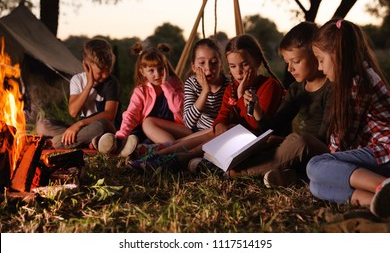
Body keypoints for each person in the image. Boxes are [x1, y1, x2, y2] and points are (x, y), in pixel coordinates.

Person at [128, 34, 284, 172]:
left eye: (244, 65)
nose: (239, 71)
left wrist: (241, 95)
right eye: (233, 66)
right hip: (214, 133)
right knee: (217, 131)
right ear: (194, 66)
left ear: (256, 61)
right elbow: (220, 116)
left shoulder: (266, 86)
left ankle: (170, 158)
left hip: (253, 139)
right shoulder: (230, 86)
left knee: (219, 131)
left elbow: (256, 125)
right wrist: (219, 124)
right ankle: (158, 156)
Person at [225, 22, 333, 188]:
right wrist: (258, 112)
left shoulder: (330, 87)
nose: (290, 68)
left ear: (316, 55)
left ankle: (238, 172)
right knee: (273, 141)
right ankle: (294, 176)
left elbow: (324, 137)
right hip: (300, 149)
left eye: (295, 61)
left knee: (300, 141)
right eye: (287, 62)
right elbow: (274, 126)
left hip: (323, 150)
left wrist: (286, 141)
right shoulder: (296, 88)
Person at [306, 19, 390, 218]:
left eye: (320, 59)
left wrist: (330, 161)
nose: (319, 68)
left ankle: (382, 186)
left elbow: (342, 141)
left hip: (385, 153)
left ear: (337, 55)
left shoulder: (357, 82)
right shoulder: (359, 76)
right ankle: (377, 201)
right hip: (378, 155)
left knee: (315, 166)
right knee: (316, 186)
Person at [97, 43, 185, 156]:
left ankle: (165, 148)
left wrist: (166, 85)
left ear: (166, 67)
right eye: (151, 71)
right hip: (150, 134)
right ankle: (115, 144)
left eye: (160, 69)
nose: (157, 74)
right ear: (143, 72)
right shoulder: (141, 91)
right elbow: (132, 114)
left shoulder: (175, 85)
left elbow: (179, 109)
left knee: (147, 123)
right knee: (138, 132)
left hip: (177, 130)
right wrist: (121, 135)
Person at [35, 38, 122, 149]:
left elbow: (110, 115)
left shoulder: (111, 83)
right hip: (85, 129)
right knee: (43, 125)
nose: (105, 75)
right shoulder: (77, 80)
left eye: (108, 70)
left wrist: (79, 124)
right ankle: (89, 142)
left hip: (105, 127)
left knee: (99, 126)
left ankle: (55, 144)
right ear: (86, 66)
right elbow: (73, 112)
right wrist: (89, 85)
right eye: (100, 72)